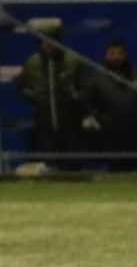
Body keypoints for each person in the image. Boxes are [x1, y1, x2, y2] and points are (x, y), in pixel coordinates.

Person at [16, 32, 86, 168]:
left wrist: (75, 96)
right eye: (44, 41)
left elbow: (85, 85)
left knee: (74, 160)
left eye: (51, 41)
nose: (48, 44)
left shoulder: (73, 60)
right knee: (50, 160)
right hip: (44, 119)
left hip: (71, 118)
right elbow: (22, 86)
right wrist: (35, 96)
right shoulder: (32, 62)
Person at [86, 40, 137, 172]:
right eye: (112, 53)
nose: (116, 57)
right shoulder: (95, 79)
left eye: (120, 53)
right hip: (113, 137)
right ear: (105, 56)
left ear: (125, 55)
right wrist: (104, 122)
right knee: (118, 175)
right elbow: (90, 106)